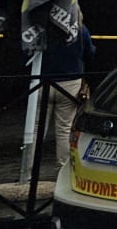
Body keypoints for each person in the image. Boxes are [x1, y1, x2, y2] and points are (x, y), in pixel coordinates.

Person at [35, 17, 96, 178]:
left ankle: (28, 171)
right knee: (64, 129)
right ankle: (63, 171)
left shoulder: (41, 26)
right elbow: (90, 52)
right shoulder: (80, 29)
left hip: (41, 81)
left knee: (36, 129)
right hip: (70, 81)